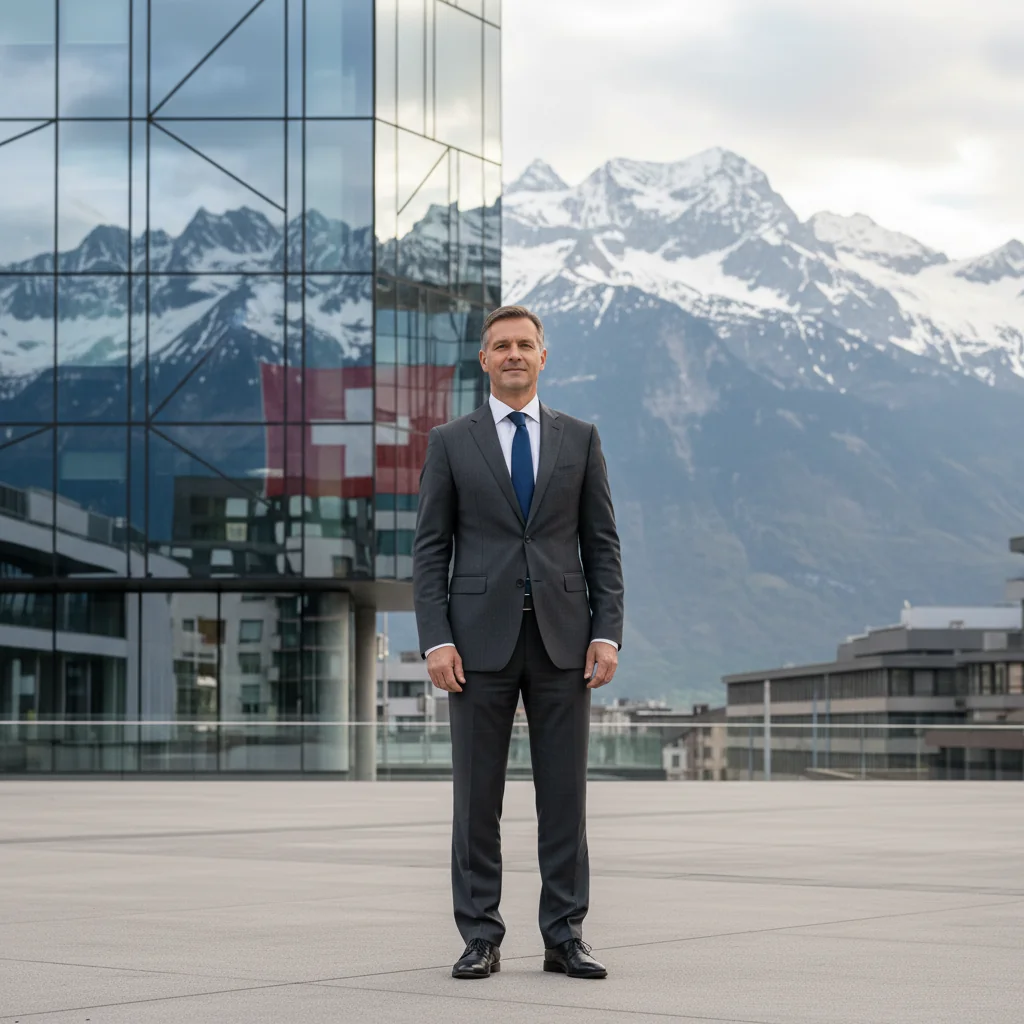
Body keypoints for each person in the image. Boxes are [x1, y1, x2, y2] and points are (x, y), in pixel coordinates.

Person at [413, 304, 624, 981]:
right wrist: (435, 639)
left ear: (543, 356)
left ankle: (565, 936)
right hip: (476, 648)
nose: (512, 354)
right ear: (484, 360)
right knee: (476, 800)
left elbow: (602, 547)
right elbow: (429, 551)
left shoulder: (582, 438)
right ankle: (480, 936)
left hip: (566, 643)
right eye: (500, 345)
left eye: (524, 345)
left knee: (565, 799)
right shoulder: (451, 441)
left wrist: (608, 632)